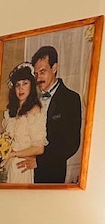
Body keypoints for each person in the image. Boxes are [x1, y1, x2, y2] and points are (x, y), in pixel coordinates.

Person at [17, 45, 82, 184]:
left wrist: (39, 162)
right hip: (22, 172)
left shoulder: (70, 98)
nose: (38, 78)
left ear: (54, 68)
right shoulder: (30, 97)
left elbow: (71, 144)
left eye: (43, 71)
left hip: (51, 173)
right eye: (36, 74)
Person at [0, 63, 47, 185]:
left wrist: (14, 154)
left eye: (25, 83)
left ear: (31, 85)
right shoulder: (10, 112)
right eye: (17, 85)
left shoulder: (36, 111)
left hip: (22, 168)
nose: (21, 89)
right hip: (6, 166)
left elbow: (39, 148)